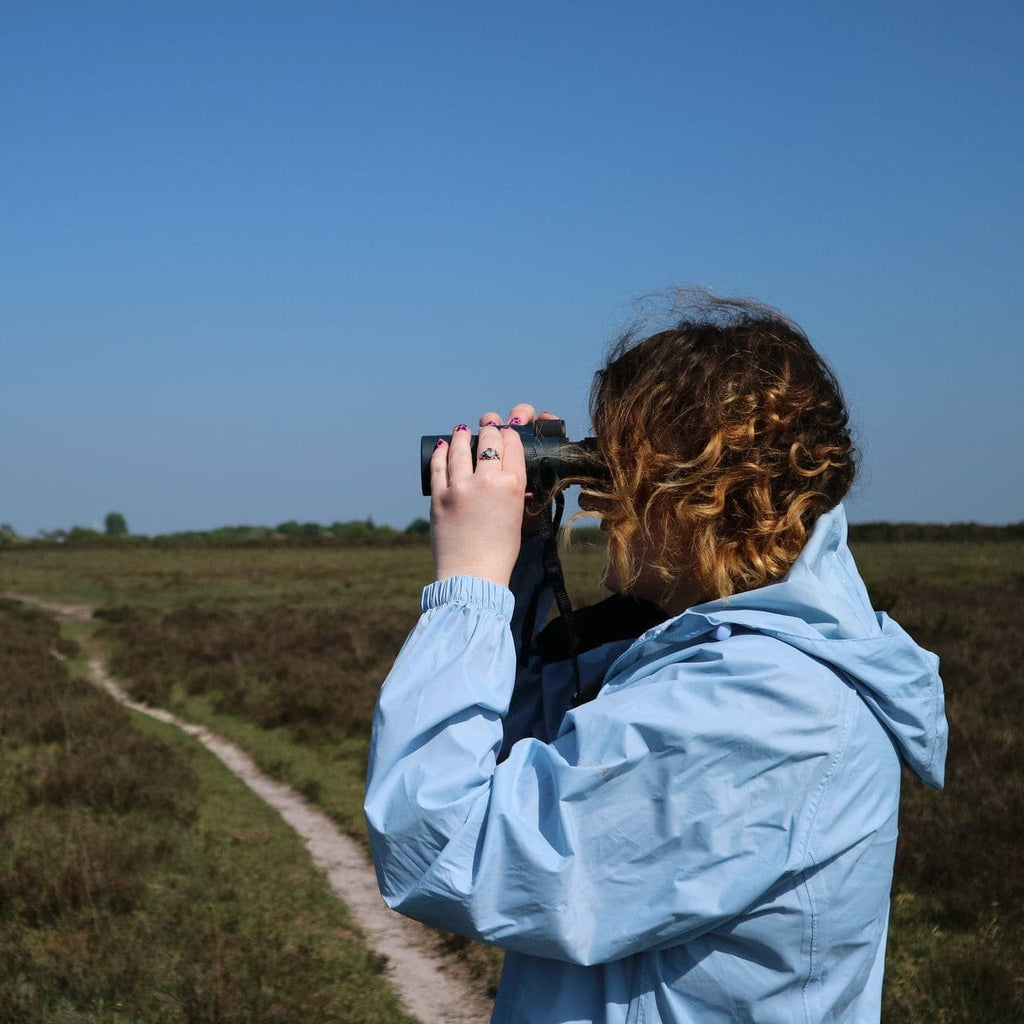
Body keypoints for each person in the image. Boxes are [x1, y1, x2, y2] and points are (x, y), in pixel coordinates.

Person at [364, 293, 947, 1024]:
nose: (598, 495)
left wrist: (469, 587)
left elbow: (441, 845)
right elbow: (513, 761)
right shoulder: (715, 663)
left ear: (692, 492)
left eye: (613, 463)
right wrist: (523, 555)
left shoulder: (765, 707)